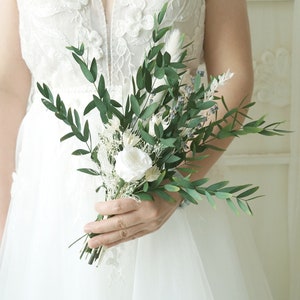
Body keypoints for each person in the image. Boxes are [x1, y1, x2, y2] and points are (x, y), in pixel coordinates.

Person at [0, 0, 274, 299]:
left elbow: (234, 78)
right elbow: (8, 93)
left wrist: (174, 186)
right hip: (47, 203)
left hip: (173, 187)